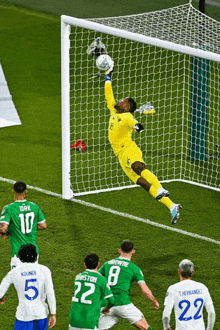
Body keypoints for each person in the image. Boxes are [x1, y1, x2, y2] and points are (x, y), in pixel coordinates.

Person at [103, 62, 181, 224]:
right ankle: (172, 206)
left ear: (127, 106)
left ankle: (160, 187)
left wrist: (138, 127)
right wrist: (107, 77)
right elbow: (108, 95)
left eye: (124, 100)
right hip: (120, 155)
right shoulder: (114, 109)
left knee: (138, 167)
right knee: (144, 184)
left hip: (129, 149)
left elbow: (136, 125)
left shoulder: (128, 117)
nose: (121, 99)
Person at [98, 240, 159, 330]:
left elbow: (95, 279)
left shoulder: (107, 264)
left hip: (106, 303)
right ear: (133, 251)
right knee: (145, 326)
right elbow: (144, 290)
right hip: (123, 303)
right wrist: (154, 301)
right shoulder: (134, 268)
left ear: (119, 250)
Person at [0, 244, 56, 330]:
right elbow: (50, 292)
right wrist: (53, 313)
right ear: (36, 256)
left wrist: (1, 298)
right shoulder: (45, 270)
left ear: (20, 256)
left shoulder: (14, 272)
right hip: (41, 314)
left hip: (23, 315)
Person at [0, 181, 47, 268]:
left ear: (13, 191)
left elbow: (3, 228)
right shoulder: (34, 206)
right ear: (26, 191)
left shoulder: (9, 208)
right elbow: (43, 225)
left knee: (18, 279)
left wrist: (7, 232)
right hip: (33, 251)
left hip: (18, 253)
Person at [162, 259, 215, 330]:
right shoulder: (202, 287)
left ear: (179, 271)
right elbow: (211, 313)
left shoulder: (173, 289)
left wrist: (166, 326)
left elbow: (166, 316)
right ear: (193, 272)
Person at [69, 252, 115, 330]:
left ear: (84, 265)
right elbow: (112, 300)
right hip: (89, 320)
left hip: (74, 318)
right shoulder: (101, 279)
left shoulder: (78, 277)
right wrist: (106, 308)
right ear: (98, 264)